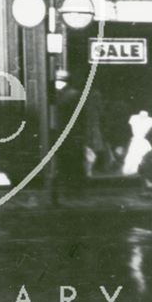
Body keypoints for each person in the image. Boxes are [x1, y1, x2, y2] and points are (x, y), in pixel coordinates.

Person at [51, 69, 87, 205]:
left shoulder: (54, 94)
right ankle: (72, 188)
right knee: (70, 161)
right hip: (70, 133)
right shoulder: (74, 94)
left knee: (66, 160)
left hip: (61, 132)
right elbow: (82, 117)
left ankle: (69, 187)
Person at [122, 110, 152, 176]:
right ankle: (133, 170)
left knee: (144, 155)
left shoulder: (150, 120)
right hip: (136, 140)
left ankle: (143, 170)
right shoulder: (134, 118)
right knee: (134, 154)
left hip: (142, 141)